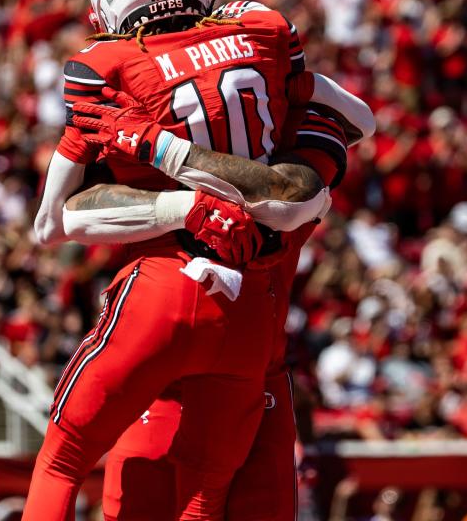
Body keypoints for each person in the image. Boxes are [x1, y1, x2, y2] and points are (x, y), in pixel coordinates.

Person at [24, 0, 369, 520]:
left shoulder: (116, 69)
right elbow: (333, 150)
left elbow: (52, 223)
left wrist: (166, 163)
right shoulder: (263, 41)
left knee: (65, 458)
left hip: (158, 291)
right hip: (251, 320)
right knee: (204, 505)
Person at [61, 68, 368, 520]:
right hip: (243, 383)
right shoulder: (294, 171)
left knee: (63, 462)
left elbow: (57, 218)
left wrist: (165, 149)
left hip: (177, 386)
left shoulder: (157, 171)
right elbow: (356, 123)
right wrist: (294, 80)